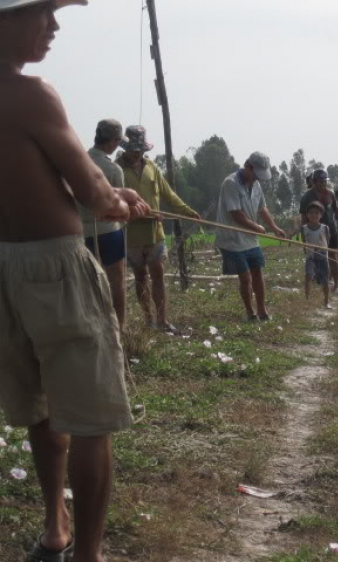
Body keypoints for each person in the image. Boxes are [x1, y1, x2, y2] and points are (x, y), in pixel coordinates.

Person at [0, 3, 150, 562]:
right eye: (42, 14)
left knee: (39, 406)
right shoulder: (33, 93)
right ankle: (86, 552)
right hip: (56, 269)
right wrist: (118, 200)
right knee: (89, 418)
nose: (54, 27)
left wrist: (108, 196)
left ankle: (54, 531)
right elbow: (89, 186)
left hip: (5, 267)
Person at [117, 125, 200, 332]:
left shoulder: (152, 167)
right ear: (125, 147)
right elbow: (112, 199)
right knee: (140, 276)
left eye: (140, 149)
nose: (137, 153)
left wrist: (188, 211)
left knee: (158, 273)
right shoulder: (116, 169)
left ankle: (162, 320)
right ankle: (148, 320)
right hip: (131, 232)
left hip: (155, 230)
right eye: (134, 149)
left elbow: (168, 195)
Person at [215, 151, 286, 322]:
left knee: (258, 274)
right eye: (255, 174)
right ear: (247, 166)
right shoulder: (230, 183)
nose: (257, 178)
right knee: (245, 277)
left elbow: (262, 208)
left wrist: (274, 227)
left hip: (251, 238)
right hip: (233, 239)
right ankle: (250, 312)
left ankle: (262, 311)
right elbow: (236, 215)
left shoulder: (256, 185)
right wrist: (257, 227)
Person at [82, 118, 128, 328]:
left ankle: (93, 325)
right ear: (113, 141)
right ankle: (119, 327)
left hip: (81, 234)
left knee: (88, 283)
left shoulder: (79, 162)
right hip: (109, 232)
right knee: (116, 282)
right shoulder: (112, 170)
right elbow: (121, 206)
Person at [299, 169, 338, 292]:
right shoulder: (307, 197)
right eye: (320, 181)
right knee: (316, 256)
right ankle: (321, 282)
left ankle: (336, 285)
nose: (323, 184)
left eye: (325, 181)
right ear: (314, 181)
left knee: (333, 257)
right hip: (314, 232)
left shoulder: (330, 194)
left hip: (331, 230)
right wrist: (304, 237)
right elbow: (303, 218)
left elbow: (336, 209)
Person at [301, 201, 331, 308]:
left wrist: (321, 249)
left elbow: (327, 241)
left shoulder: (325, 228)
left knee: (325, 280)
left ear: (321, 215)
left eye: (317, 213)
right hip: (311, 257)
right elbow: (304, 242)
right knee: (308, 275)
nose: (314, 215)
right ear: (307, 214)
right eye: (311, 213)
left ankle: (326, 302)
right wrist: (308, 250)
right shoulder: (304, 228)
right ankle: (307, 300)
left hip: (323, 257)